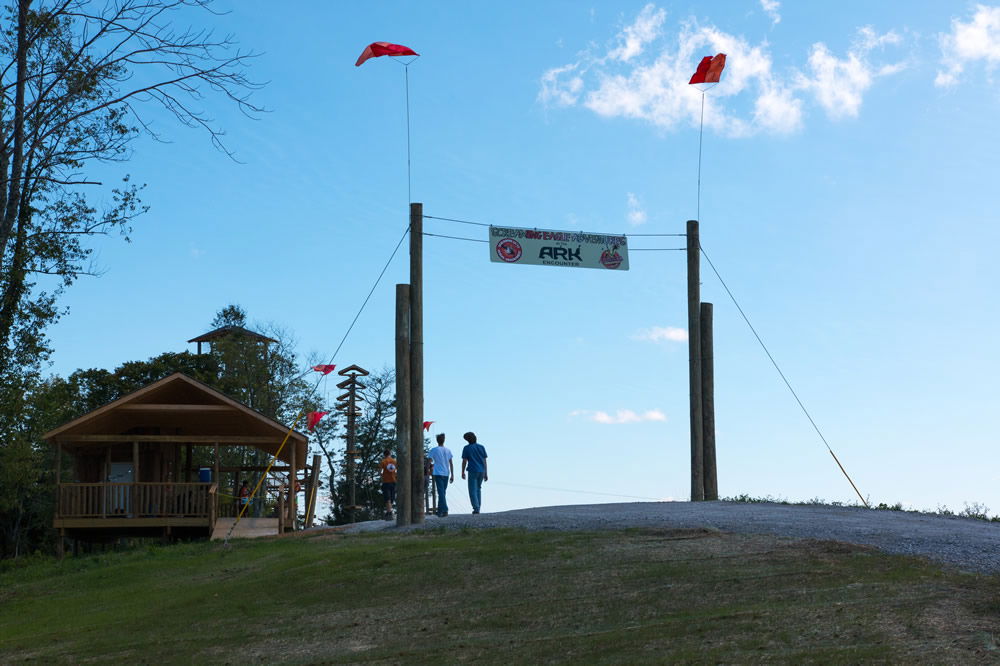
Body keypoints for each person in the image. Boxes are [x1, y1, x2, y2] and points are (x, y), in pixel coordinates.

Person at [461, 431, 488, 514]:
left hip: (472, 470)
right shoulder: (481, 447)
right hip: (481, 470)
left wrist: (462, 471)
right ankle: (478, 506)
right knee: (478, 489)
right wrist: (486, 473)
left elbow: (464, 461)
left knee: (472, 490)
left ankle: (476, 508)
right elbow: (484, 461)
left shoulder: (466, 448)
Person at [428, 433, 453, 517]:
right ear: (444, 440)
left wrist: (428, 469)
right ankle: (440, 510)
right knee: (442, 492)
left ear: (437, 440)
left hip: (438, 473)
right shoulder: (448, 450)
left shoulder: (434, 450)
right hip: (446, 473)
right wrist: (452, 474)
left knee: (441, 492)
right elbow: (451, 463)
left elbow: (429, 461)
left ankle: (444, 509)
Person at [379, 449, 398, 520]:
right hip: (393, 481)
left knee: (387, 498)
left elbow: (379, 471)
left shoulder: (383, 461)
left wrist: (382, 477)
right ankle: (389, 511)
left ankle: (389, 512)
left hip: (386, 481)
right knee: (392, 497)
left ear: (384, 454)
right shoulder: (394, 461)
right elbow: (397, 470)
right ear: (390, 453)